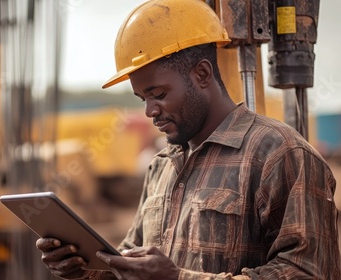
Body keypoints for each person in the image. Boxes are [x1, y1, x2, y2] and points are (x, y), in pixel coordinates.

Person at [36, 0, 341, 279]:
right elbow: (131, 262)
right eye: (142, 98)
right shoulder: (162, 166)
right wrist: (84, 266)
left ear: (203, 74)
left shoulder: (280, 154)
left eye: (158, 94)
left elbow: (309, 273)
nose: (149, 110)